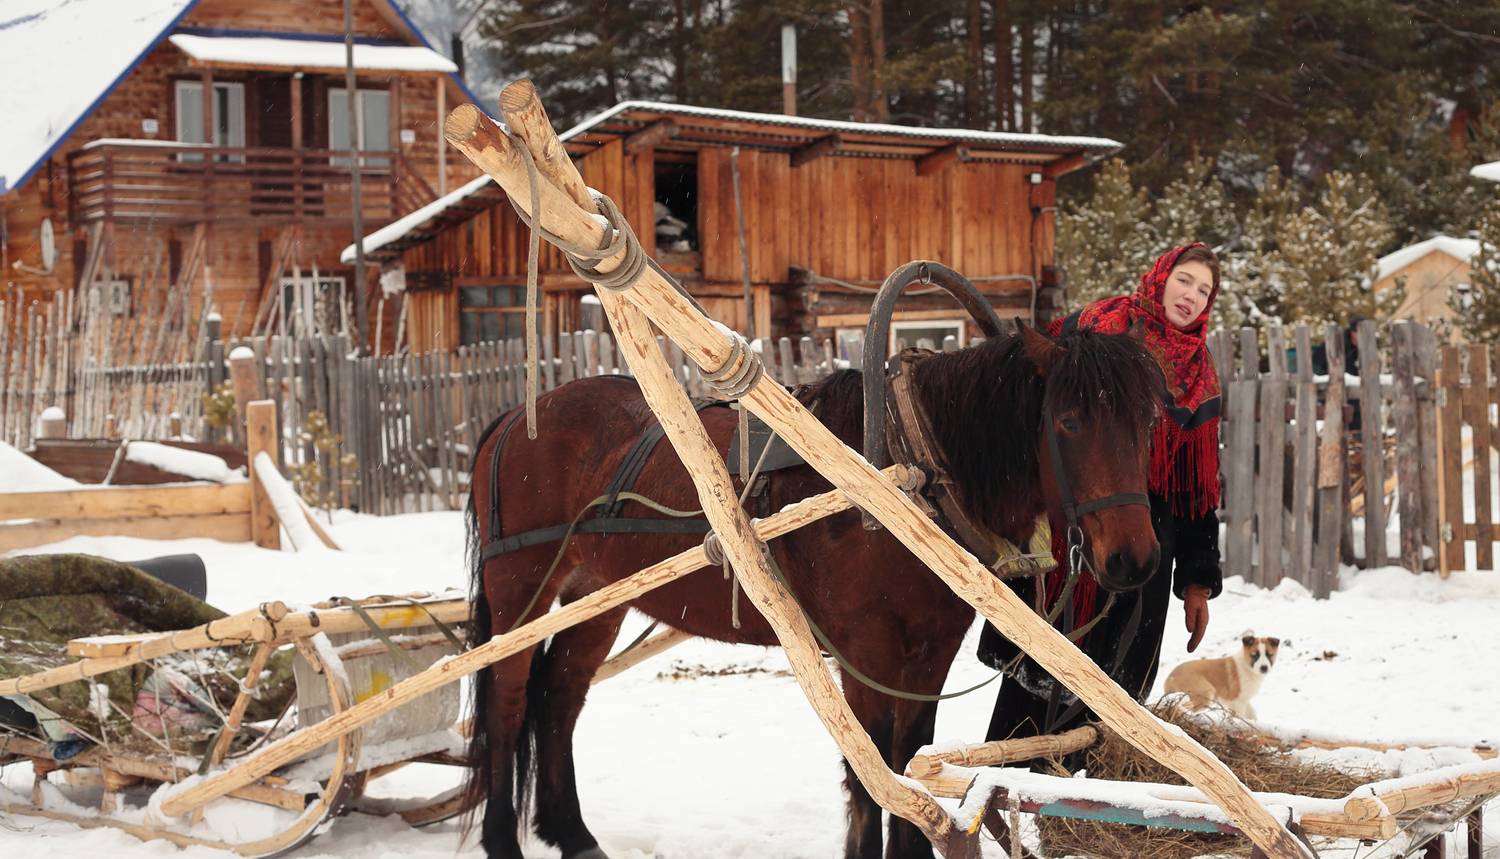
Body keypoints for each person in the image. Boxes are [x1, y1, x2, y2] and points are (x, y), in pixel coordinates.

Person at [977, 243, 1225, 746]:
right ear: (1160, 278)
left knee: (1112, 696)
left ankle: (1088, 785)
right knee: (1038, 678)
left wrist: (1197, 583)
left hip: (1145, 548)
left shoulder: (1198, 375)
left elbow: (1196, 493)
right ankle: (1007, 776)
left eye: (1204, 291)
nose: (1191, 296)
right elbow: (1028, 400)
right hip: (1072, 533)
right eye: (1184, 280)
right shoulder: (1095, 328)